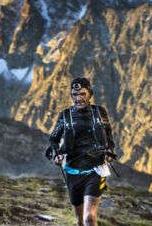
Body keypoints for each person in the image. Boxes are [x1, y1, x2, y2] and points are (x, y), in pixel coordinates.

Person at [49, 77, 116, 226]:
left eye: (82, 94)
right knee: (80, 221)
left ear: (90, 94)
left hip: (96, 170)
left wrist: (109, 150)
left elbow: (108, 134)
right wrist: (56, 154)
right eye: (75, 94)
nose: (78, 98)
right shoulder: (65, 116)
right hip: (72, 172)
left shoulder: (99, 112)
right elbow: (53, 139)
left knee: (89, 218)